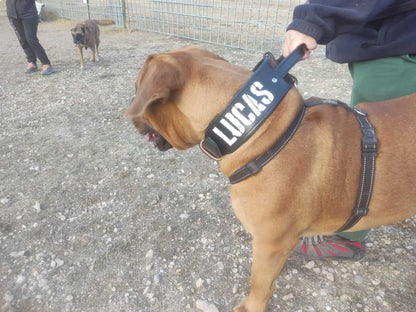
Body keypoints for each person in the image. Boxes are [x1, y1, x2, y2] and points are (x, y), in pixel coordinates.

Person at [282, 0, 416, 261]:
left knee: (375, 151)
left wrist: (312, 20)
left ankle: (347, 238)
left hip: (399, 43)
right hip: (389, 36)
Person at [6, 0, 55, 75]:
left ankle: (46, 63)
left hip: (28, 13)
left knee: (31, 39)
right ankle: (31, 61)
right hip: (12, 13)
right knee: (22, 39)